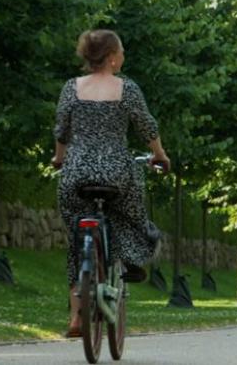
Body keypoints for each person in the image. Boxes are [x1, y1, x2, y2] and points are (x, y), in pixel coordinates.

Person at [52, 29, 170, 338]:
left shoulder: (70, 88)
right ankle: (128, 260)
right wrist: (160, 155)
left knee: (78, 236)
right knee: (131, 215)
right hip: (117, 170)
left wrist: (59, 159)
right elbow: (146, 126)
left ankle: (76, 316)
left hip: (76, 171)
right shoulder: (127, 88)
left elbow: (61, 130)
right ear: (113, 57)